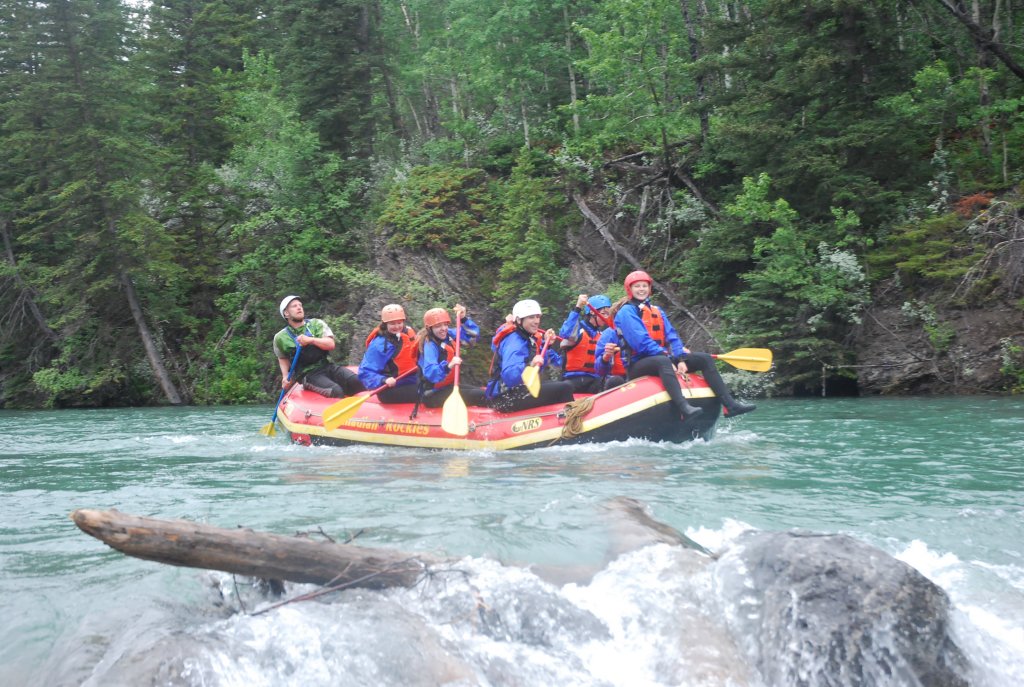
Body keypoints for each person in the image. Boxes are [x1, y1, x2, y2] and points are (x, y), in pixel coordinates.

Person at [614, 271, 756, 419]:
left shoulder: (656, 310)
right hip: (638, 364)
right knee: (662, 361)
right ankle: (683, 408)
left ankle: (730, 405)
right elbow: (641, 342)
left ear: (649, 289)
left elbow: (672, 336)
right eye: (637, 286)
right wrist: (668, 359)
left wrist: (680, 358)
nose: (641, 289)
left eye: (645, 286)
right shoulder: (627, 312)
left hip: (661, 357)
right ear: (630, 289)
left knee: (704, 358)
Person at [485, 299, 575, 412]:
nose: (536, 321)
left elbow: (539, 367)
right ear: (518, 320)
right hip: (503, 398)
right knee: (565, 388)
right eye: (531, 317)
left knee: (559, 384)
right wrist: (530, 364)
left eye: (538, 317)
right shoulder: (514, 341)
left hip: (516, 391)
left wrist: (547, 346)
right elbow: (510, 376)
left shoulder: (527, 338)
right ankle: (570, 420)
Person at [273, 295, 363, 398]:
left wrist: (311, 340)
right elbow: (282, 357)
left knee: (358, 382)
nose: (299, 307)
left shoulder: (317, 324)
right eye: (294, 306)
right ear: (286, 313)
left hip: (327, 367)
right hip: (308, 375)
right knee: (336, 391)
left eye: (300, 305)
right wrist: (285, 376)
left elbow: (330, 344)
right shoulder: (280, 337)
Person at [417, 304, 487, 408]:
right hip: (432, 394)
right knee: (481, 396)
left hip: (448, 387)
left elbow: (472, 337)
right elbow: (431, 373)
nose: (443, 328)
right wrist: (448, 366)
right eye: (438, 326)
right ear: (429, 328)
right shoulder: (429, 345)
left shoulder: (448, 335)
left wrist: (463, 319)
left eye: (445, 324)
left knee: (485, 393)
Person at [557, 293, 625, 393]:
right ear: (593, 313)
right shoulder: (578, 329)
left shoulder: (603, 335)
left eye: (608, 313)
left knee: (613, 382)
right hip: (572, 380)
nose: (607, 317)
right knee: (565, 388)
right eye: (604, 313)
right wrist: (578, 307)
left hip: (595, 381)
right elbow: (565, 333)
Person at [358, 304, 421, 404]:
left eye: (399, 323)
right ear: (385, 324)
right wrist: (383, 380)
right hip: (390, 388)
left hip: (412, 378)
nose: (397, 327)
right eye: (392, 323)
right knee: (427, 393)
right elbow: (365, 372)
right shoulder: (380, 345)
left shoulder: (409, 333)